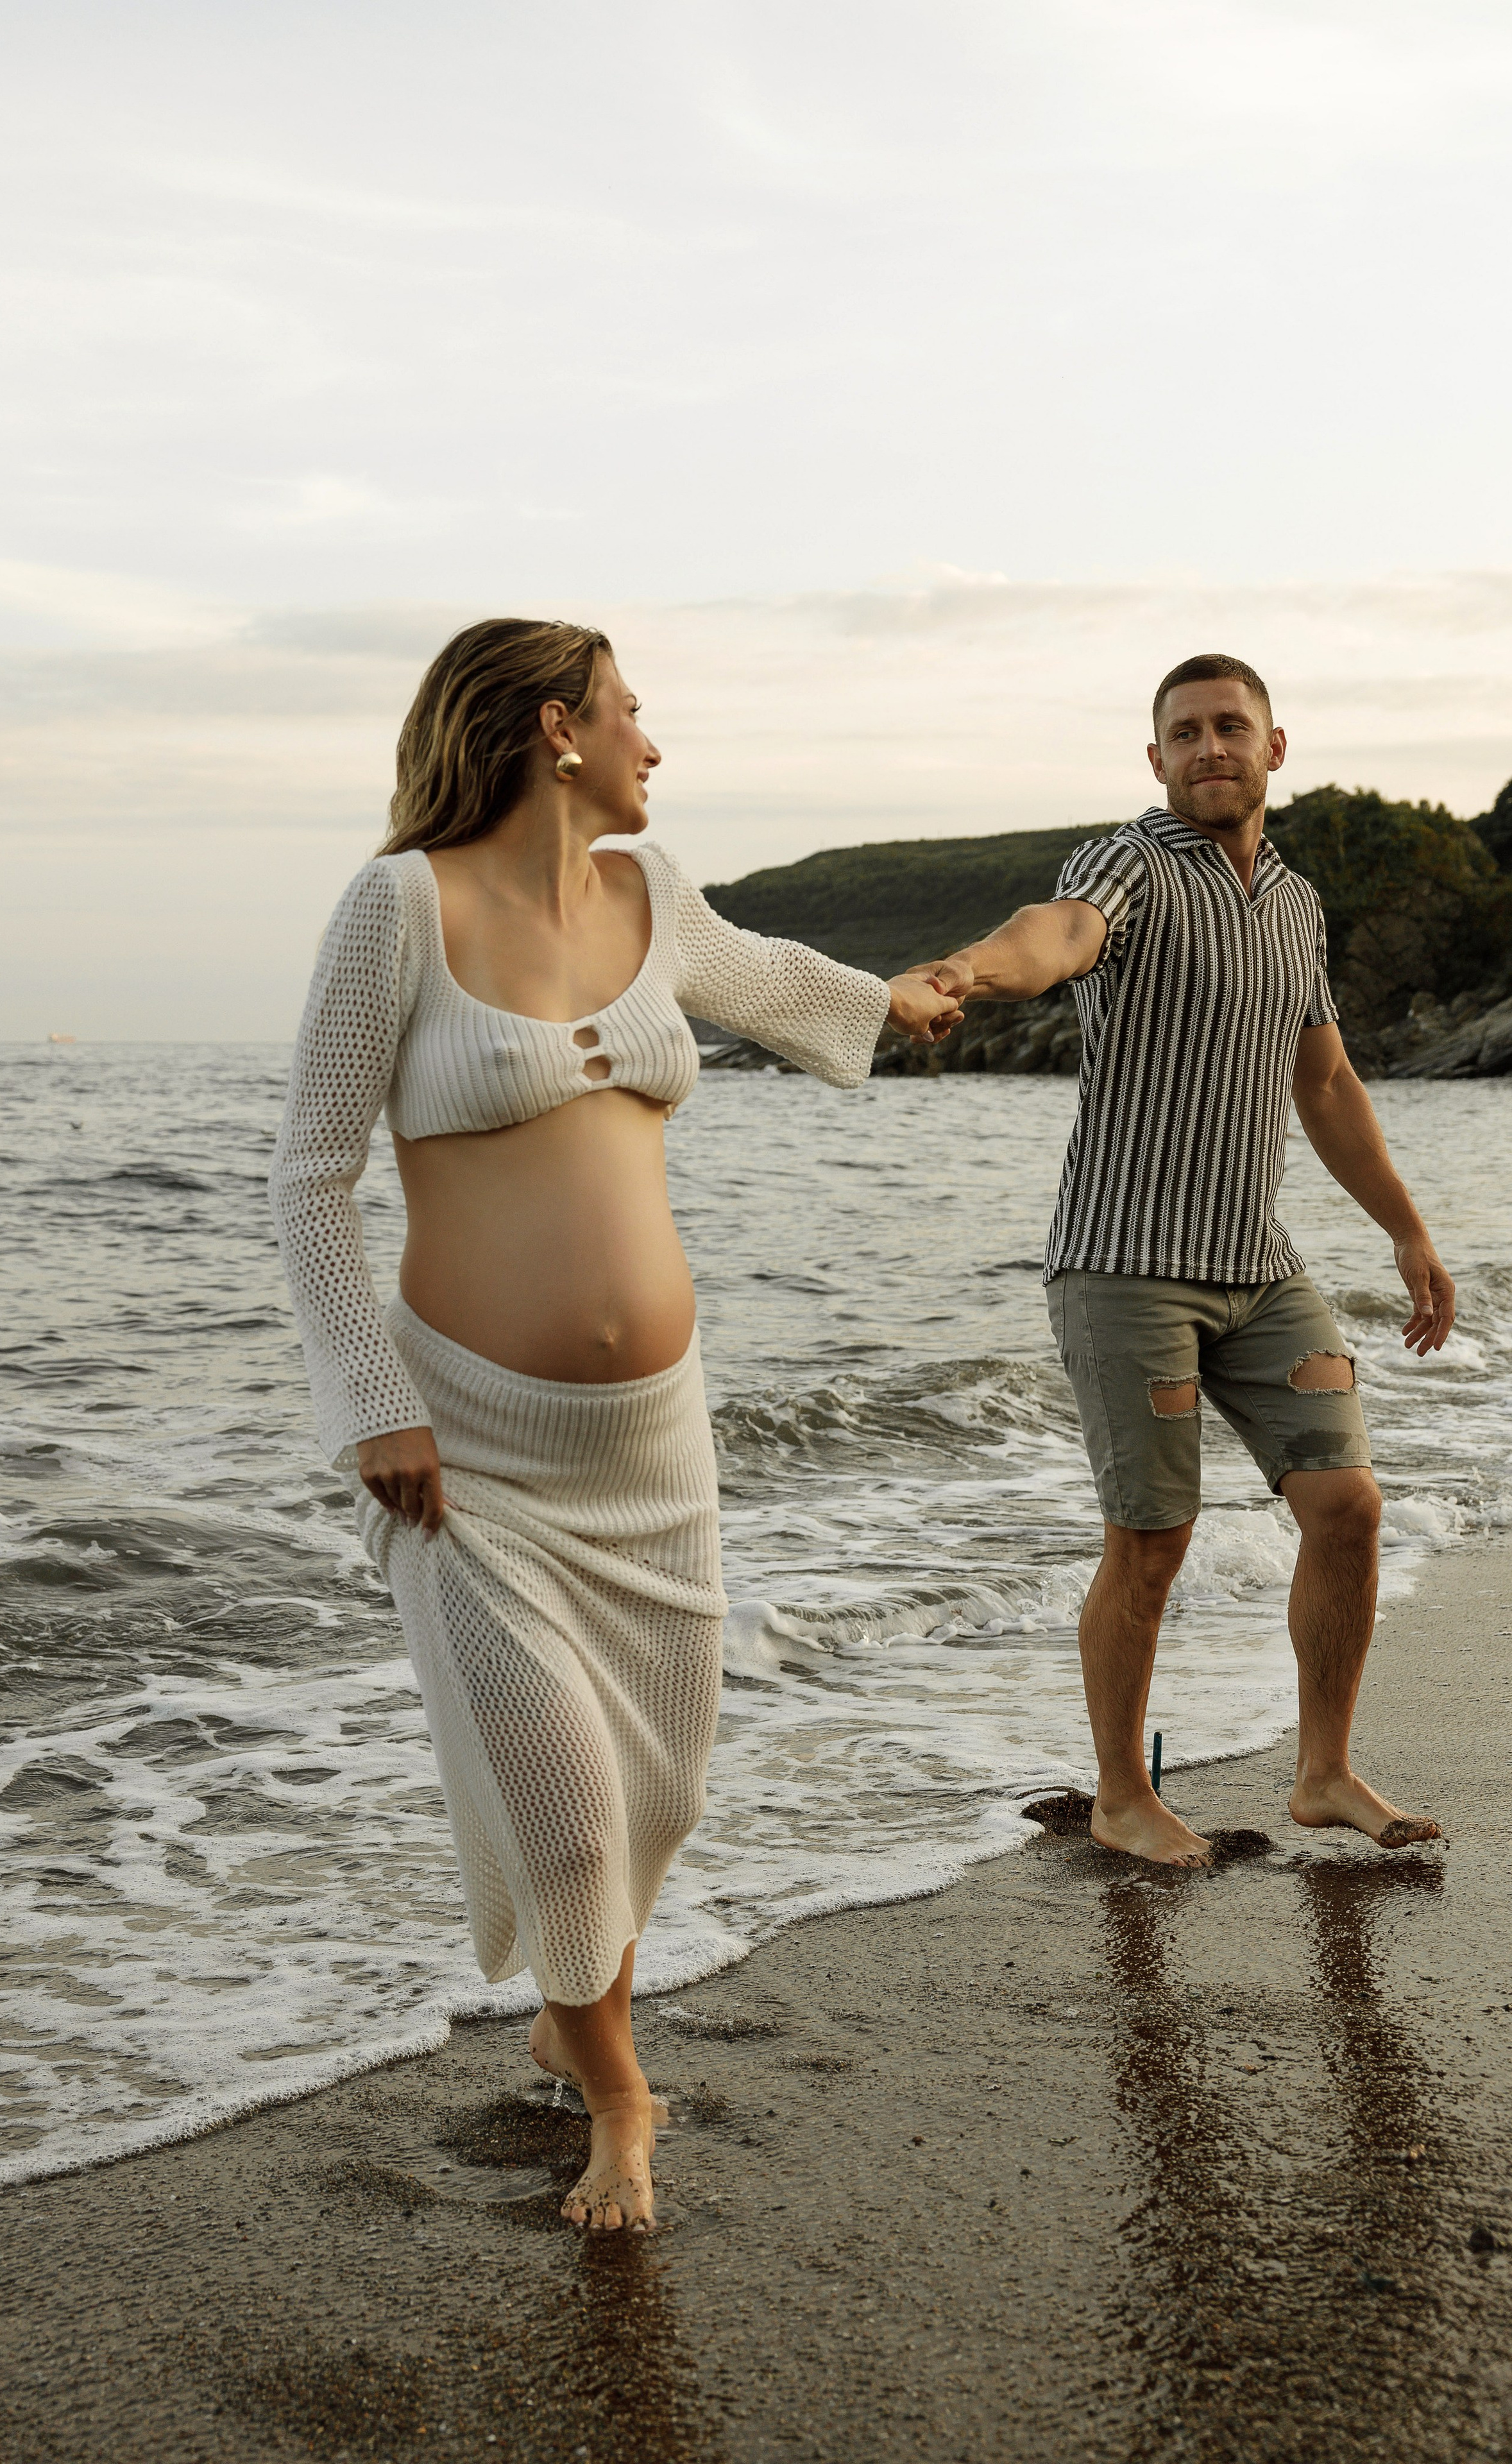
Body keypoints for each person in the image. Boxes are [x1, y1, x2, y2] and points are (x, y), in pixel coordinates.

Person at [269, 618, 959, 2229]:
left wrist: (937, 987)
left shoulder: (658, 900)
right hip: (472, 1454)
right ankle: (621, 2099)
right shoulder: (398, 908)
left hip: (653, 1449)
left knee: (660, 1794)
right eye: (637, 714)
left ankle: (569, 2017)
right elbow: (310, 1181)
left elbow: (798, 992)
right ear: (554, 730)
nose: (660, 745)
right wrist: (371, 1404)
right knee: (571, 1817)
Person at [928, 653, 1450, 1869]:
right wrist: (968, 971)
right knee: (1151, 1540)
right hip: (1125, 1266)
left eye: (1231, 727)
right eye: (1185, 732)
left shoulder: (1298, 903)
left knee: (1349, 1505)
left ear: (1275, 748)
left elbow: (1323, 1080)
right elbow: (1056, 935)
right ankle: (1120, 1796)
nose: (1210, 747)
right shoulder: (1133, 863)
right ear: (1155, 761)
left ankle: (1323, 1773)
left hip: (1259, 1267)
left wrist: (1408, 1230)